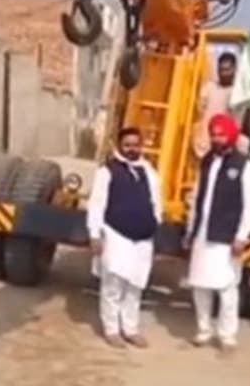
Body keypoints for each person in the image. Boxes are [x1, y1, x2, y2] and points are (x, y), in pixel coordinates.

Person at [184, 112, 250, 350]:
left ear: (232, 136)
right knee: (200, 284)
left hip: (227, 236)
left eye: (221, 135)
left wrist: (241, 237)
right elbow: (197, 198)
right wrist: (190, 229)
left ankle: (227, 334)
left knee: (226, 287)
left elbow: (248, 204)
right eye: (214, 135)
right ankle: (203, 329)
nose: (217, 139)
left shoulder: (243, 166)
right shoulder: (206, 161)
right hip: (203, 233)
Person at [85, 126, 162, 348]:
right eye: (127, 145)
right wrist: (94, 234)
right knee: (113, 284)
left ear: (141, 146)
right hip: (116, 234)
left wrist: (155, 221)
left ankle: (131, 328)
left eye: (135, 145)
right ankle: (111, 329)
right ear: (120, 146)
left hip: (143, 239)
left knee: (136, 285)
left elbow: (157, 202)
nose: (131, 149)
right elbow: (96, 204)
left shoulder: (149, 171)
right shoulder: (107, 171)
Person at [194, 52, 240, 159]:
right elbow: (199, 110)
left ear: (234, 69)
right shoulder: (209, 88)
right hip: (204, 146)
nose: (223, 73)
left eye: (227, 70)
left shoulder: (237, 93)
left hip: (225, 147)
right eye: (221, 70)